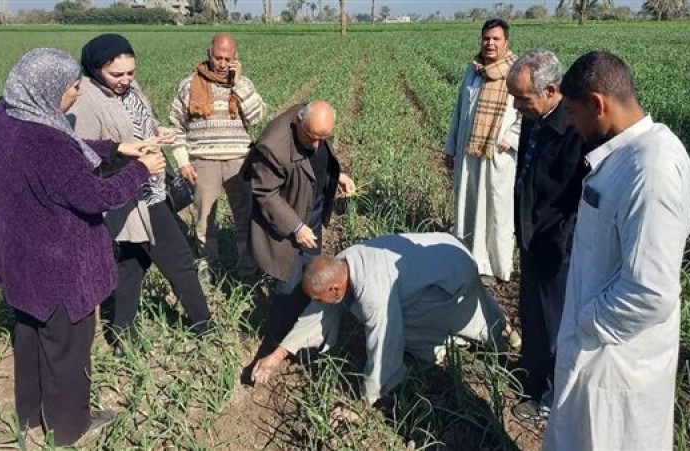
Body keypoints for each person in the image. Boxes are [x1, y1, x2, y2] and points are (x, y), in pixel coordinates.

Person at [0, 48, 166, 446]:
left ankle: (29, 416)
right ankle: (68, 428)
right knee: (69, 346)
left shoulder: (5, 114)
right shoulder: (46, 141)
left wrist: (117, 149)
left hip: (19, 254)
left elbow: (65, 155)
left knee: (30, 332)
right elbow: (95, 196)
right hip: (60, 264)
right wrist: (140, 169)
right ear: (47, 88)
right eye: (72, 86)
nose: (78, 93)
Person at [544, 51, 690, 450]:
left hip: (616, 361)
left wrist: (586, 319)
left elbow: (650, 293)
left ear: (598, 104)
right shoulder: (625, 157)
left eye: (573, 114)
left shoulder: (651, 170)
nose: (571, 126)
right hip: (595, 350)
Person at [68, 34, 213, 356]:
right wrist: (135, 157)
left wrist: (157, 133)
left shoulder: (130, 90)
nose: (125, 80)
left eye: (130, 72)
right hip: (131, 199)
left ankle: (122, 338)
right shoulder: (85, 102)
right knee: (180, 261)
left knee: (131, 267)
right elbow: (83, 158)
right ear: (94, 68)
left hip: (149, 188)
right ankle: (206, 326)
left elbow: (139, 124)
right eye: (116, 75)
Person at [251, 232, 510, 405]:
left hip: (454, 272)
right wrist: (277, 355)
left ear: (335, 290)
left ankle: (486, 338)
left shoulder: (373, 292)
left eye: (320, 298)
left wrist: (367, 399)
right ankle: (500, 326)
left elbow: (384, 341)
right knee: (469, 309)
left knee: (410, 330)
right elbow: (319, 311)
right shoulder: (343, 263)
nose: (318, 304)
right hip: (445, 247)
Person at [241, 100, 355, 371]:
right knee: (289, 277)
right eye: (311, 137)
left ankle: (307, 326)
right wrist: (295, 226)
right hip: (289, 216)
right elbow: (264, 194)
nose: (316, 144)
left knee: (312, 270)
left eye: (323, 138)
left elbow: (320, 156)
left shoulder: (314, 126)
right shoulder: (272, 147)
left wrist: (337, 176)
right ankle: (275, 340)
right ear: (298, 120)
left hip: (310, 207)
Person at [505, 50, 588, 422]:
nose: (515, 106)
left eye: (522, 98)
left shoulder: (575, 129)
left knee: (555, 322)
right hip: (530, 234)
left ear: (551, 90)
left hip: (557, 245)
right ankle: (533, 376)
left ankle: (550, 400)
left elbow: (579, 197)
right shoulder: (534, 118)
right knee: (532, 313)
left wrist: (561, 238)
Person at [170, 32, 267, 279]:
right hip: (203, 162)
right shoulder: (189, 85)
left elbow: (257, 117)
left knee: (245, 214)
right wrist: (182, 162)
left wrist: (239, 84)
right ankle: (207, 263)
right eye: (218, 58)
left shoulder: (243, 85)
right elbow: (176, 127)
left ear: (236, 59)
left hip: (239, 161)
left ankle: (248, 265)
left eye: (228, 59)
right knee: (203, 216)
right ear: (208, 54)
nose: (222, 64)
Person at [444, 18, 522, 286]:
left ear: (506, 42)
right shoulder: (473, 70)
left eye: (496, 39)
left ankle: (493, 266)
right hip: (469, 151)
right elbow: (459, 111)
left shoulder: (517, 71)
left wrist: (510, 138)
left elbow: (528, 113)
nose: (490, 43)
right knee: (467, 203)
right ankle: (467, 258)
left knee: (495, 208)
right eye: (486, 38)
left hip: (498, 156)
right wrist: (451, 147)